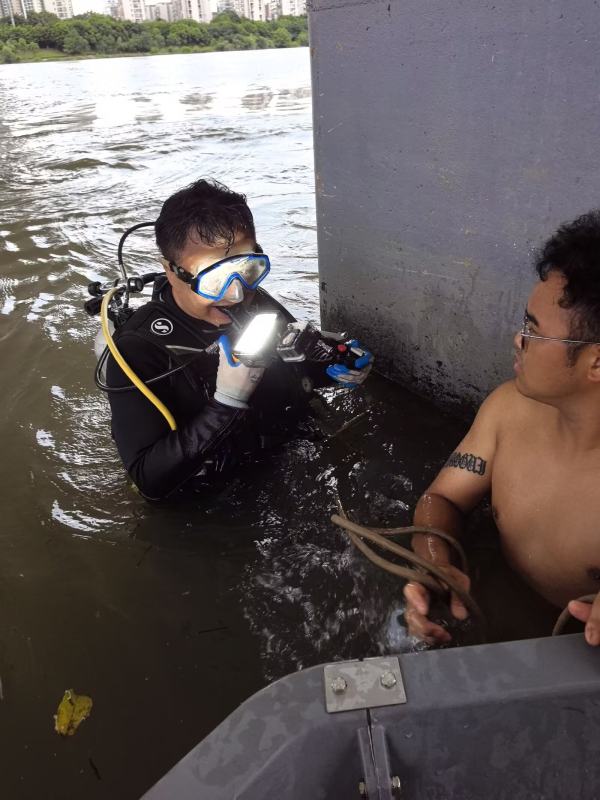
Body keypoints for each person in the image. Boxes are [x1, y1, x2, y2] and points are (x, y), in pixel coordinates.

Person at [101, 179, 372, 501]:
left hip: (288, 451)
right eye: (213, 278)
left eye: (247, 269)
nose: (236, 293)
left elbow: (292, 371)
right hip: (218, 499)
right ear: (172, 271)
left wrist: (332, 367)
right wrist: (226, 402)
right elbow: (149, 480)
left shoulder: (255, 302)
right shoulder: (138, 348)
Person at [403, 210, 600, 648]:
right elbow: (442, 498)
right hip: (497, 616)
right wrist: (436, 563)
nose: (517, 338)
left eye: (533, 329)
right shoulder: (509, 409)